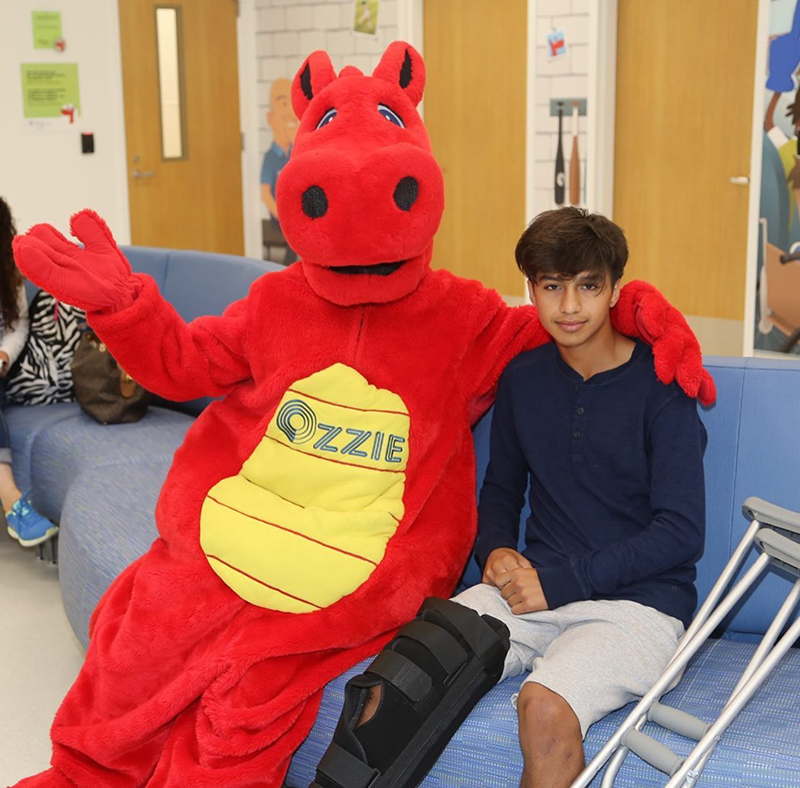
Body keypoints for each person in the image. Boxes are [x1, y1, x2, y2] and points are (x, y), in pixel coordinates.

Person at [454, 207, 707, 788]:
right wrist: (496, 547)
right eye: (552, 287)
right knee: (405, 676)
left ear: (614, 289)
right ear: (532, 291)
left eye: (588, 287)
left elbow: (681, 532)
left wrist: (562, 582)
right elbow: (502, 488)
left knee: (544, 706)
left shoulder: (663, 387)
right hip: (530, 596)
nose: (569, 307)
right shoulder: (523, 379)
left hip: (637, 609)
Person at [0, 196, 57, 547]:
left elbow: (17, 326)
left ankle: (13, 505)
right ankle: (13, 502)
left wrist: (4, 355)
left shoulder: (9, 273)